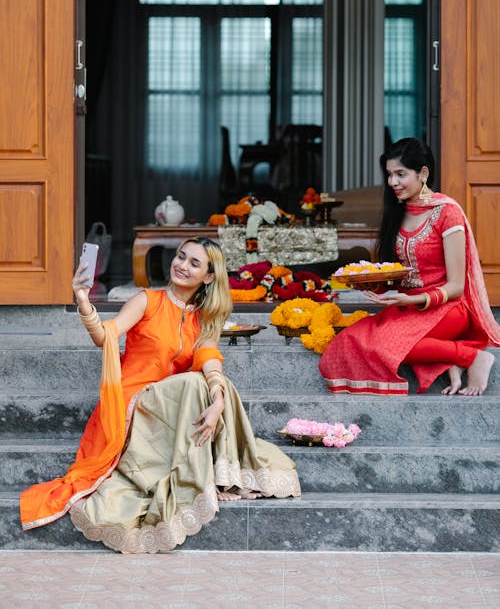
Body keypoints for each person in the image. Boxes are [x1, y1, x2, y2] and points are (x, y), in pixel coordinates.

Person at [20, 237, 300, 553]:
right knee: (195, 383)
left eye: (194, 263)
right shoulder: (147, 300)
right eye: (180, 257)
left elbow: (208, 357)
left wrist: (219, 400)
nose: (182, 265)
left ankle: (224, 467)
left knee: (211, 382)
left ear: (209, 277)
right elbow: (105, 337)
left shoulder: (204, 316)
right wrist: (83, 300)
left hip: (172, 411)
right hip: (134, 403)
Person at [319, 138, 499, 396]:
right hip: (406, 307)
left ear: (423, 173)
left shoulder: (447, 212)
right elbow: (400, 272)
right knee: (348, 340)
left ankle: (473, 357)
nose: (393, 182)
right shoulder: (399, 212)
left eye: (400, 174)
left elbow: (457, 287)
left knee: (389, 345)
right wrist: (373, 283)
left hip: (447, 308)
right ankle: (447, 358)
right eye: (390, 175)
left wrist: (415, 300)